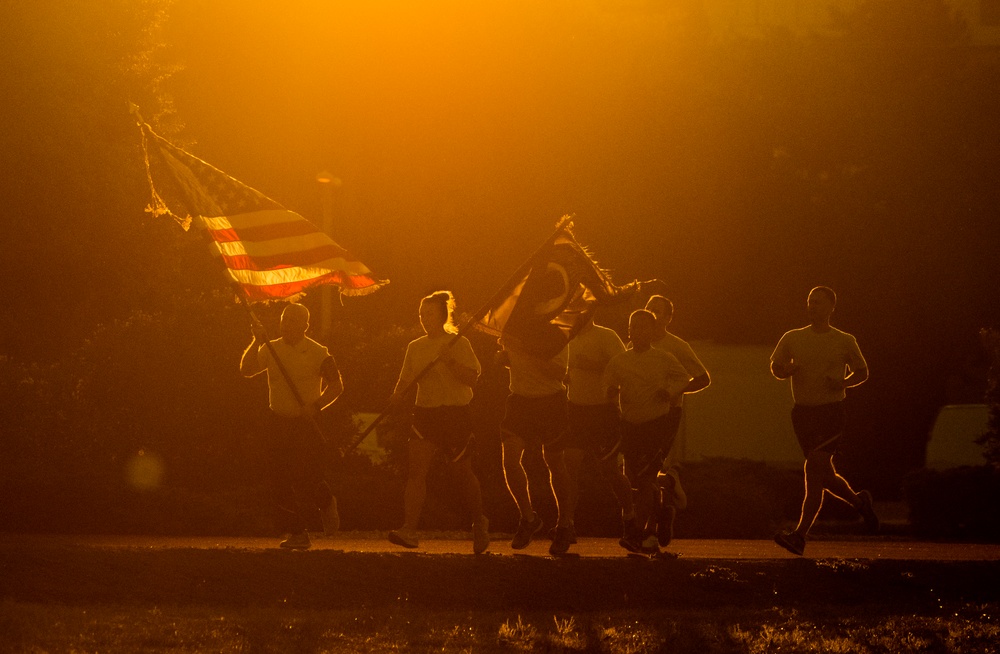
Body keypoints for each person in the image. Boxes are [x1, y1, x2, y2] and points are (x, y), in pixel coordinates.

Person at [770, 286, 879, 556]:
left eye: (818, 302)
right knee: (825, 475)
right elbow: (776, 367)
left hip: (830, 412)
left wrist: (843, 382)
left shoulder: (844, 340)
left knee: (813, 469)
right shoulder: (792, 337)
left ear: (832, 307)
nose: (812, 306)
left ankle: (799, 535)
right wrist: (786, 370)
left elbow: (862, 371)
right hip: (803, 414)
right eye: (809, 302)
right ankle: (859, 502)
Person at [387, 291, 490, 554]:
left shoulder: (459, 343)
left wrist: (449, 361)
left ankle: (479, 522)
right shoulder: (415, 347)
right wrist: (397, 396)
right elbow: (406, 379)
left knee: (463, 474)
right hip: (426, 414)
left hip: (455, 415)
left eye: (429, 314)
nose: (424, 319)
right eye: (421, 314)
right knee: (416, 472)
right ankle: (409, 529)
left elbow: (473, 379)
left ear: (442, 315)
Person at [240, 303, 343, 550]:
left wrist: (316, 406)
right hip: (277, 422)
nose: (287, 325)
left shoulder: (319, 352)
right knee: (279, 479)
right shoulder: (271, 348)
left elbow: (337, 386)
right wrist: (256, 341)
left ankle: (326, 501)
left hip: (305, 425)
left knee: (306, 478)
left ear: (305, 325)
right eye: (285, 320)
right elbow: (246, 370)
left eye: (294, 321)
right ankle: (298, 533)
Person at [602, 309, 692, 555]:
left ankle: (639, 534)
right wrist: (611, 398)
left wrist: (669, 391)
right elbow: (609, 384)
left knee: (643, 480)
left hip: (656, 427)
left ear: (652, 332)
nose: (636, 331)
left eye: (642, 327)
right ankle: (663, 507)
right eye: (632, 326)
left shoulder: (664, 358)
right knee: (634, 480)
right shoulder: (620, 360)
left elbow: (685, 378)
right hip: (630, 426)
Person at [560, 314, 639, 555]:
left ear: (590, 314)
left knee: (609, 471)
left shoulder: (605, 336)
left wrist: (592, 366)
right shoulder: (565, 338)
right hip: (575, 409)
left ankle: (630, 517)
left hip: (602, 412)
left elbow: (623, 367)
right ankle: (566, 524)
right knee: (568, 466)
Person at [644, 295, 711, 547]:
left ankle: (650, 530)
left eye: (660, 311)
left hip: (667, 415)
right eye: (650, 309)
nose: (654, 314)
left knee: (649, 472)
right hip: (638, 415)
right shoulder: (636, 343)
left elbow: (703, 378)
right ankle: (669, 494)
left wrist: (674, 392)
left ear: (669, 318)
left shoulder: (677, 346)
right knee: (641, 474)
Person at [497, 335, 573, 551]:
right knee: (510, 462)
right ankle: (528, 519)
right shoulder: (513, 329)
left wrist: (524, 349)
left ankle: (564, 525)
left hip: (550, 401)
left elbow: (559, 373)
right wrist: (505, 357)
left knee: (555, 463)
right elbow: (512, 360)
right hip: (520, 401)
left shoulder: (556, 334)